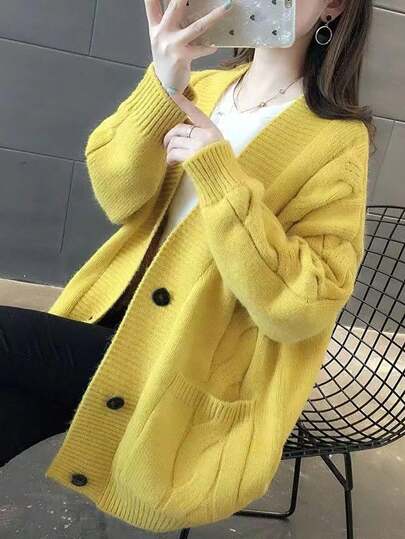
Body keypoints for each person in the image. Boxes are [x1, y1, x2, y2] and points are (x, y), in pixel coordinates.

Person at [0, 0, 374, 532]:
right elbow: (118, 197)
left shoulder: (335, 139)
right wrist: (163, 80)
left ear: (333, 7)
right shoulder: (204, 87)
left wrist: (220, 173)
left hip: (189, 353)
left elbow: (303, 306)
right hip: (115, 320)